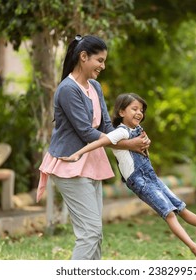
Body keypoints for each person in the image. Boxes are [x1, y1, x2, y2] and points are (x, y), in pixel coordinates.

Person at [59, 93, 196, 258]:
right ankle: (193, 246)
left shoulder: (139, 130)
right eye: (134, 109)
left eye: (141, 110)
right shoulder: (120, 132)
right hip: (138, 180)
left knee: (181, 208)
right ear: (122, 111)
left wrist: (145, 144)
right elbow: (99, 142)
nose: (139, 113)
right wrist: (78, 153)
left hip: (151, 177)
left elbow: (143, 150)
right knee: (169, 213)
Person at [36, 35, 151, 260]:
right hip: (70, 165)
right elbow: (86, 133)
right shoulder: (68, 89)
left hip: (91, 164)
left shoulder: (94, 87)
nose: (103, 66)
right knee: (90, 233)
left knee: (95, 235)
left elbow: (106, 126)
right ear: (83, 57)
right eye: (99, 60)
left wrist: (134, 135)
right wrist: (130, 145)